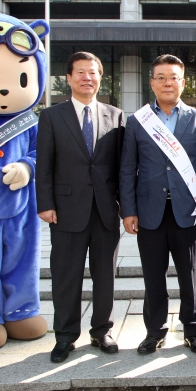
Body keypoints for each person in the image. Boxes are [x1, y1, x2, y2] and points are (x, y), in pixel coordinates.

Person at [119, 54, 196, 354]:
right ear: (152, 83)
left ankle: (193, 329)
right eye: (160, 77)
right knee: (153, 276)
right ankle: (155, 331)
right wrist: (129, 210)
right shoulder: (137, 121)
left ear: (183, 82)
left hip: (187, 211)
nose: (167, 82)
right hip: (149, 212)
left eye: (173, 77)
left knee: (190, 275)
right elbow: (127, 168)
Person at [36, 51, 125, 363]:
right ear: (69, 78)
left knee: (106, 275)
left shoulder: (115, 115)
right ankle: (65, 336)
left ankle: (102, 330)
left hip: (105, 211)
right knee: (66, 275)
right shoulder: (51, 117)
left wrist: (126, 209)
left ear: (100, 77)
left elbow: (121, 169)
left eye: (93, 72)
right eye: (81, 73)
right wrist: (44, 203)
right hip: (65, 210)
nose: (88, 78)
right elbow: (43, 165)